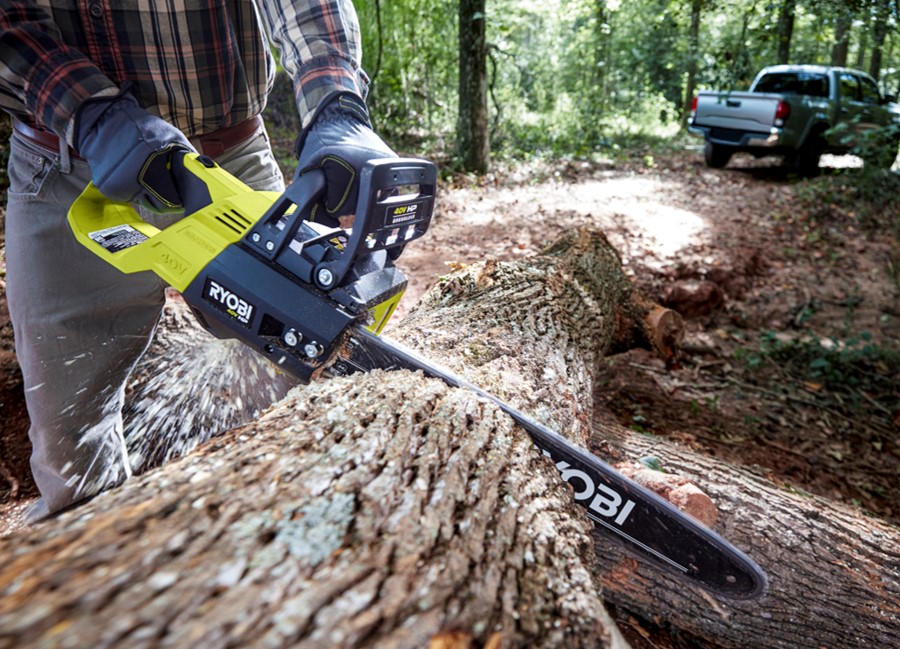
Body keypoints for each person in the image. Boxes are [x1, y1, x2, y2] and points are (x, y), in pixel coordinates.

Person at [0, 0, 395, 519]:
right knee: (68, 432)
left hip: (228, 160)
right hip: (64, 162)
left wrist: (335, 104)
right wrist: (89, 110)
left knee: (294, 385)